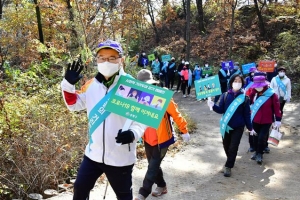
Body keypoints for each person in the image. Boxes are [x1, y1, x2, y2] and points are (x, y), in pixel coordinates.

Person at [61, 39, 147, 200]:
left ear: (121, 60)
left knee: (124, 196)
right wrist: (67, 84)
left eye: (112, 58)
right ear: (97, 60)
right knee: (79, 189)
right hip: (93, 154)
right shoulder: (91, 85)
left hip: (120, 156)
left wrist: (133, 133)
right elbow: (74, 104)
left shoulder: (132, 85)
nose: (106, 61)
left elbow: (143, 118)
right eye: (102, 57)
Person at [134, 69, 190, 200]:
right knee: (153, 164)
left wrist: (184, 130)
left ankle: (142, 193)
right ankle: (162, 185)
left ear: (153, 84)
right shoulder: (138, 98)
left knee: (152, 167)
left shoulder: (163, 98)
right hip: (148, 138)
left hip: (162, 139)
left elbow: (176, 114)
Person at [207, 74, 253, 177]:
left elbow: (247, 114)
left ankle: (228, 166)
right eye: (235, 81)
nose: (237, 83)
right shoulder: (225, 95)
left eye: (239, 81)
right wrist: (213, 105)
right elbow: (221, 110)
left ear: (242, 83)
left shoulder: (245, 98)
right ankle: (230, 159)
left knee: (234, 146)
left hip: (238, 126)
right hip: (226, 126)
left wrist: (250, 128)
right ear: (231, 82)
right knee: (226, 145)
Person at [248, 75, 282, 164]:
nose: (258, 88)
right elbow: (249, 103)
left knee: (261, 137)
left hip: (267, 120)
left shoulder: (272, 94)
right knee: (255, 137)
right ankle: (256, 151)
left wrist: (278, 120)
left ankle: (260, 154)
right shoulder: (253, 93)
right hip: (255, 119)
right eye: (257, 86)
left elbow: (277, 108)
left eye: (260, 85)